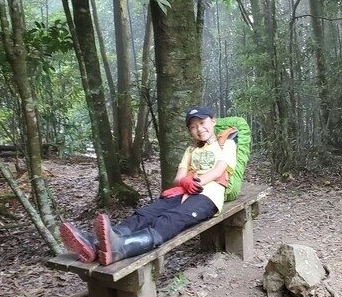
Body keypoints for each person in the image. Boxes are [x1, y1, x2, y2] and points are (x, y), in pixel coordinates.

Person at [60, 106, 236, 266]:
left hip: (208, 196)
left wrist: (196, 182)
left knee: (169, 219)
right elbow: (178, 178)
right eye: (193, 126)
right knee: (145, 214)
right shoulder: (190, 150)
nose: (199, 129)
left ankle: (123, 247)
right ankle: (95, 244)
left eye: (202, 122)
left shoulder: (226, 144)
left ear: (213, 121)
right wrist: (185, 181)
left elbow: (218, 171)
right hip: (181, 191)